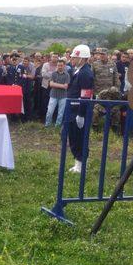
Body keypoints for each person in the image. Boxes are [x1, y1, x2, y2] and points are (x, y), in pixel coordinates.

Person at [66, 44, 94, 174]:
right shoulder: (78, 70)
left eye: (74, 57)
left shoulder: (85, 73)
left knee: (79, 138)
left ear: (82, 59)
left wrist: (81, 114)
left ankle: (80, 164)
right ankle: (79, 162)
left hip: (78, 111)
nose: (72, 59)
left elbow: (85, 95)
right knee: (74, 137)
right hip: (73, 110)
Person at [45, 59, 70, 127]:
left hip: (63, 96)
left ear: (64, 66)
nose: (60, 67)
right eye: (58, 65)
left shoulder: (67, 75)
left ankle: (57, 126)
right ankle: (47, 125)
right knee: (50, 111)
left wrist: (55, 84)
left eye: (61, 65)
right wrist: (61, 85)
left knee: (60, 113)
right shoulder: (53, 73)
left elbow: (66, 87)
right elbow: (51, 84)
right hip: (53, 95)